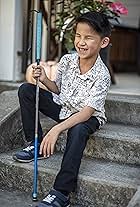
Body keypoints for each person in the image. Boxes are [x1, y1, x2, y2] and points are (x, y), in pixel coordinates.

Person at [13, 11, 111, 207]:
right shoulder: (67, 60)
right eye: (78, 36)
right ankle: (35, 144)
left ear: (103, 42)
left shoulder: (102, 75)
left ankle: (61, 192)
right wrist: (44, 79)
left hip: (87, 116)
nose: (81, 42)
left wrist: (57, 129)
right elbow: (57, 89)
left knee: (78, 129)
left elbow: (86, 113)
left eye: (88, 37)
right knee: (26, 90)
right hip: (64, 107)